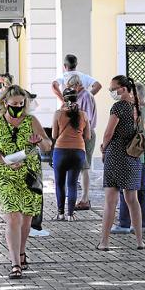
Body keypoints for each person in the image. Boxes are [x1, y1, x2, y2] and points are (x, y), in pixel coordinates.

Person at [0, 85, 52, 279]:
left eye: (21, 103)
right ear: (5, 103)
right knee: (13, 217)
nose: (18, 107)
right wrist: (4, 160)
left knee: (26, 219)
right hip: (5, 173)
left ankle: (21, 252)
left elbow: (48, 145)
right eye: (14, 104)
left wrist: (40, 141)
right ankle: (15, 263)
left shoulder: (32, 121)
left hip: (29, 174)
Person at [97, 75, 145, 251]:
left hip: (116, 154)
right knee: (132, 199)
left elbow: (109, 132)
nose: (111, 92)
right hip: (132, 157)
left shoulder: (118, 106)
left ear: (123, 89)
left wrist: (103, 148)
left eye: (113, 88)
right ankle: (140, 240)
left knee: (111, 200)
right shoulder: (137, 107)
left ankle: (104, 241)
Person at [52, 54, 101, 211]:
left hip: (83, 135)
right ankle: (80, 199)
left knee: (84, 166)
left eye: (68, 88)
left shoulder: (84, 96)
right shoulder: (84, 94)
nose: (67, 90)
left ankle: (85, 198)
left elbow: (84, 120)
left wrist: (62, 101)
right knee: (80, 167)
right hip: (83, 134)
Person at [111, 82, 145, 234]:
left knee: (126, 190)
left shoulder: (132, 112)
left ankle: (124, 223)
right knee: (141, 191)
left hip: (132, 156)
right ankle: (141, 224)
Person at [52, 83, 90, 221]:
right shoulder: (83, 115)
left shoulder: (58, 114)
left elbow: (54, 135)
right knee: (72, 183)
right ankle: (70, 214)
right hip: (78, 151)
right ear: (76, 99)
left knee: (60, 183)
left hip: (60, 151)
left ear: (64, 99)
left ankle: (60, 213)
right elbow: (88, 136)